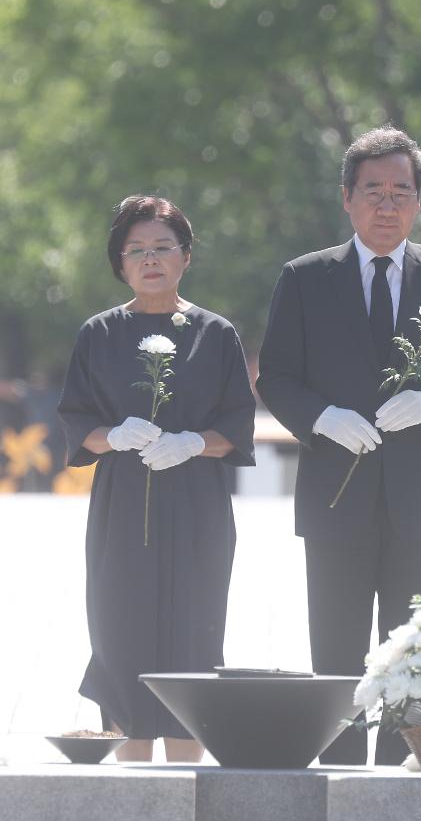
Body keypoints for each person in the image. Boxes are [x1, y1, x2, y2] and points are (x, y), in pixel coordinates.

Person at [257, 126, 421, 765]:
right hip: (334, 495)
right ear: (347, 197)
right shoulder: (306, 278)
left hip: (420, 501)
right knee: (334, 655)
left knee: (413, 655)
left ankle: (398, 782)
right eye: (373, 192)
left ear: (418, 202)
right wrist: (322, 417)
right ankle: (336, 777)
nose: (386, 206)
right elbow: (276, 375)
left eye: (400, 192)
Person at [58, 195, 255, 762]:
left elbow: (236, 424)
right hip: (122, 507)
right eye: (136, 250)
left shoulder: (214, 333)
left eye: (162, 248)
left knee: (193, 637)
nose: (150, 260)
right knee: (120, 635)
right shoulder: (98, 333)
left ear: (186, 257)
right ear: (120, 262)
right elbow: (77, 422)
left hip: (198, 508)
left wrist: (193, 442)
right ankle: (135, 791)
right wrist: (113, 436)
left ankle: (184, 788)